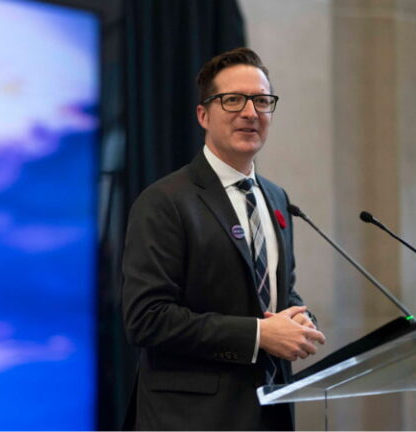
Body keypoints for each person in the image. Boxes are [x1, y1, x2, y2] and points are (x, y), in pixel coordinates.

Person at [121, 47, 326, 430]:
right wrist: (259, 334)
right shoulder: (165, 200)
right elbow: (146, 319)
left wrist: (299, 319)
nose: (250, 112)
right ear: (203, 115)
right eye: (232, 100)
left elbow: (279, 292)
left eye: (262, 101)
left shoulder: (276, 197)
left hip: (270, 412)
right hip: (190, 419)